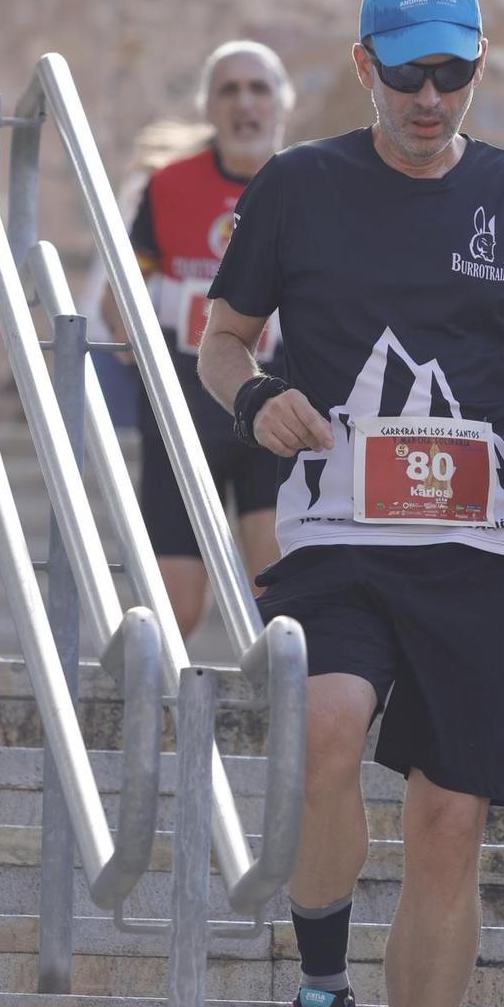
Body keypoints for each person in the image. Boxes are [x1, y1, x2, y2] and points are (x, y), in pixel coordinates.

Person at [199, 0, 504, 1007]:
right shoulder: (297, 185)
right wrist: (256, 397)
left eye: (449, 72)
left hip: (482, 546)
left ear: (477, 65)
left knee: (447, 822)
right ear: (363, 68)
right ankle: (318, 987)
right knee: (325, 718)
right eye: (405, 75)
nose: (429, 98)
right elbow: (218, 339)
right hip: (334, 531)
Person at [120, 42, 295, 639]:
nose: (245, 102)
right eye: (229, 90)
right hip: (184, 412)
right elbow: (118, 297)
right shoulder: (167, 187)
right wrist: (144, 318)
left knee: (278, 593)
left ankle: (286, 721)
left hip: (279, 409)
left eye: (259, 88)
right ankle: (153, 720)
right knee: (178, 609)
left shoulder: (311, 185)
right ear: (209, 107)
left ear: (281, 105)